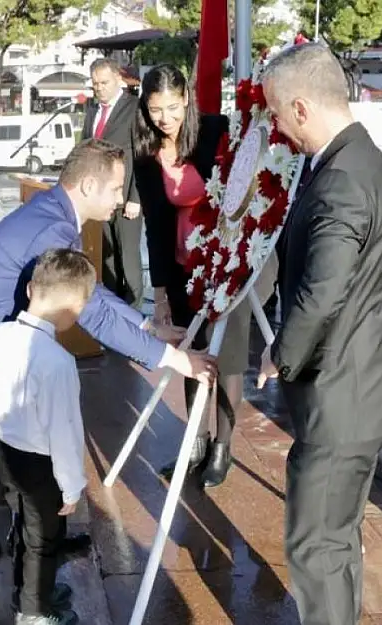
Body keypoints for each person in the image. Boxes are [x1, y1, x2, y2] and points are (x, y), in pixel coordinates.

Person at [0, 139, 216, 625]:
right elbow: (89, 310)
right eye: (115, 189)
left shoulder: (51, 213)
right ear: (89, 184)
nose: (119, 200)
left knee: (13, 458)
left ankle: (35, 548)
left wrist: (146, 326)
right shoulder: (52, 224)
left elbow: (86, 292)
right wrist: (176, 361)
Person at [255, 43, 382, 625]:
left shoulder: (343, 177)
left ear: (300, 107)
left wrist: (279, 354)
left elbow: (322, 292)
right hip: (361, 388)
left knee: (316, 547)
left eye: (275, 113)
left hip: (340, 396)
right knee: (338, 541)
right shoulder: (361, 158)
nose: (275, 126)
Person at [132, 64, 275, 488]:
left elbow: (251, 185)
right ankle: (194, 444)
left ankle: (222, 450)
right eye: (156, 109)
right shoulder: (145, 149)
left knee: (227, 359)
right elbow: (155, 224)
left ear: (187, 99)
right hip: (183, 267)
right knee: (191, 358)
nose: (165, 118)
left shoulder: (216, 131)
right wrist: (159, 293)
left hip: (227, 263)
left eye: (173, 107)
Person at [0, 248, 97, 625]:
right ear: (74, 310)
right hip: (42, 467)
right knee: (43, 540)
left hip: (5, 454)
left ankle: (29, 591)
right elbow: (65, 432)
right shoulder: (58, 361)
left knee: (23, 526)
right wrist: (72, 487)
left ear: (30, 289)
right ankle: (32, 611)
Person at [81, 58, 143, 307]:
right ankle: (114, 311)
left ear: (118, 79)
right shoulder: (92, 110)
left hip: (126, 198)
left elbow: (142, 155)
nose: (99, 88)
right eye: (95, 84)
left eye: (104, 83)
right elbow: (86, 150)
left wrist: (136, 198)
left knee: (128, 259)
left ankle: (135, 314)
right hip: (99, 198)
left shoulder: (135, 108)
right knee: (108, 259)